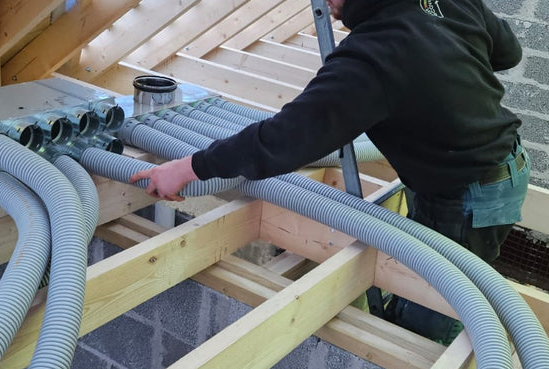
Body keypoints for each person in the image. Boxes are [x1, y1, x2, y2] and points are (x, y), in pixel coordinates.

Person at [130, 0, 529, 344]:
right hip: (483, 168)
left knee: (430, 316)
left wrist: (189, 167)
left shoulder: (375, 55)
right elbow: (506, 52)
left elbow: (284, 139)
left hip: (471, 193)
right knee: (419, 274)